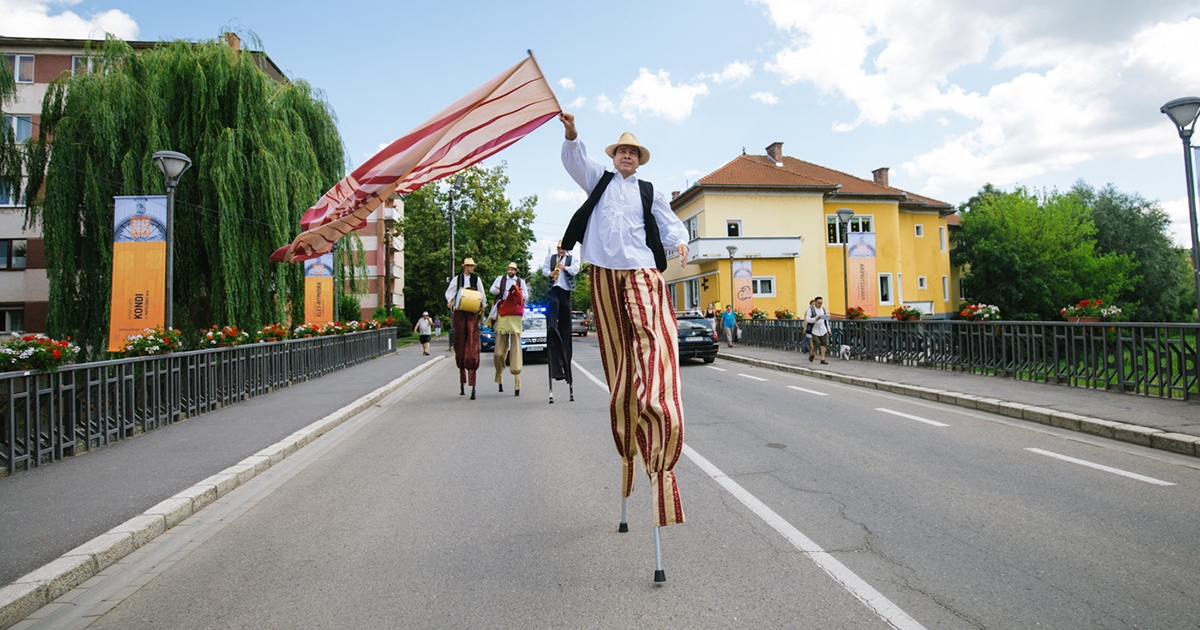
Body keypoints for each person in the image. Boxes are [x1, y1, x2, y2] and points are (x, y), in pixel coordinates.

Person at [559, 111, 690, 559]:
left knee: (651, 340)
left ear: (640, 160)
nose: (627, 157)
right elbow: (575, 161)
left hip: (638, 269)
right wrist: (572, 132)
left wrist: (679, 244)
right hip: (602, 275)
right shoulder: (599, 180)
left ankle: (657, 411)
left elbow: (670, 222)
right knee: (618, 363)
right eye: (622, 152)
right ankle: (629, 423)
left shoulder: (648, 192)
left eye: (633, 153)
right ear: (614, 157)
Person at [542, 240, 581, 403]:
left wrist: (565, 268)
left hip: (566, 291)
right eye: (558, 248)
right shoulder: (551, 258)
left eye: (562, 249)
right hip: (554, 291)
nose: (560, 251)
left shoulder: (572, 259)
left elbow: (576, 270)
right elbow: (544, 269)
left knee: (565, 313)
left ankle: (563, 340)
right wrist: (550, 273)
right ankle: (553, 331)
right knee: (554, 306)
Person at [445, 258, 488, 399]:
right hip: (461, 311)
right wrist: (450, 300)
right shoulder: (457, 279)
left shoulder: (477, 279)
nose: (472, 268)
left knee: (472, 340)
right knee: (460, 340)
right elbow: (450, 291)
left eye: (473, 266)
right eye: (470, 266)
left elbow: (481, 293)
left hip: (472, 311)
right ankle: (462, 373)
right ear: (465, 267)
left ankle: (471, 368)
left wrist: (483, 304)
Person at [489, 262, 529, 396]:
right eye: (509, 269)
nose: (510, 271)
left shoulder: (520, 281)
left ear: (516, 271)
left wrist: (517, 293)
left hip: (515, 315)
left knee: (516, 348)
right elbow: (492, 290)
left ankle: (517, 380)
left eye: (512, 269)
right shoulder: (501, 279)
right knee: (499, 350)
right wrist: (499, 290)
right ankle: (499, 372)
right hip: (503, 312)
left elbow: (526, 297)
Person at [806, 296, 831, 364]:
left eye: (821, 303)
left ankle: (822, 359)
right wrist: (815, 319)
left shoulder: (823, 309)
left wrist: (829, 329)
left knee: (824, 344)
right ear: (815, 302)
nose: (820, 304)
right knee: (816, 343)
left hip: (823, 329)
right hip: (815, 329)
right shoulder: (811, 309)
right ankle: (812, 352)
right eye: (818, 303)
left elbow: (826, 320)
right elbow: (807, 319)